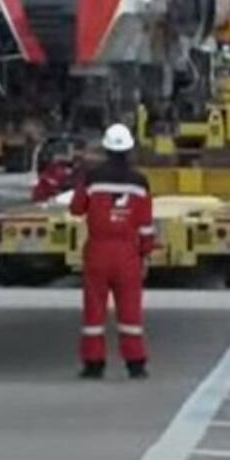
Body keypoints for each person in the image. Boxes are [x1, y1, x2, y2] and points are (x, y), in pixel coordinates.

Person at [71, 122, 154, 380]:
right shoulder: (140, 182)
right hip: (127, 253)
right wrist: (145, 253)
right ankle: (135, 363)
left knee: (94, 309)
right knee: (130, 309)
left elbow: (76, 209)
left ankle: (94, 364)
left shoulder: (93, 178)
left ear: (106, 149)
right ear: (129, 150)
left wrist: (81, 179)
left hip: (98, 250)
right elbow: (145, 224)